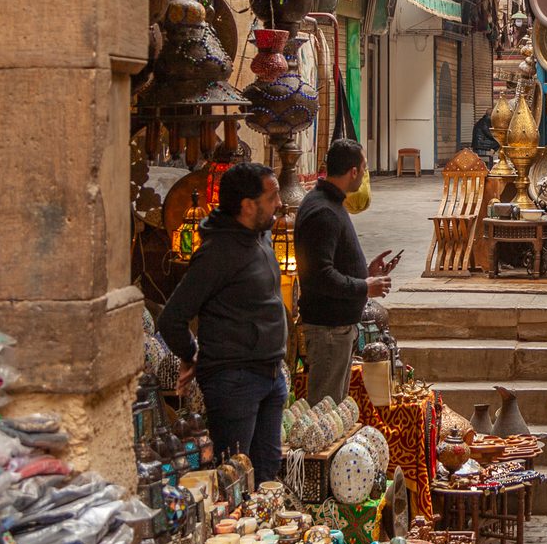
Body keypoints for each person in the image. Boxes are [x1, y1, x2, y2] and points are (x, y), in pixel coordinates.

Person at [155, 161, 289, 482]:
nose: (279, 203)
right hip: (236, 383)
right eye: (272, 197)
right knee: (235, 479)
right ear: (247, 206)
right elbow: (173, 317)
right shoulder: (217, 253)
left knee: (267, 471)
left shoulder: (260, 237)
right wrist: (191, 355)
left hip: (270, 375)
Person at [295, 139, 399, 403]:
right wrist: (365, 286)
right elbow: (319, 275)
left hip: (337, 327)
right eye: (363, 168)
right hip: (328, 328)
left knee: (334, 405)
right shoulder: (323, 211)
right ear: (353, 171)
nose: (364, 174)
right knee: (326, 408)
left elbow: (329, 264)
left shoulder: (329, 202)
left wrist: (365, 272)